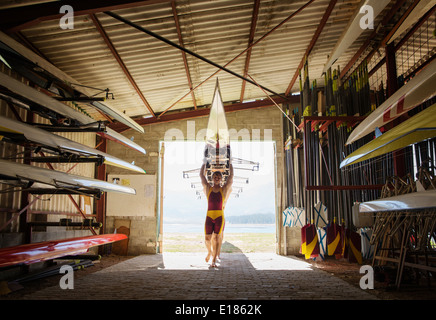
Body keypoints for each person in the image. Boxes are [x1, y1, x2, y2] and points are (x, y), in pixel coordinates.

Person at [200, 162, 233, 267]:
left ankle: (213, 261)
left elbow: (231, 178)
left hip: (219, 216)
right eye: (215, 176)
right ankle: (209, 252)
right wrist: (204, 163)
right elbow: (201, 176)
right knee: (207, 238)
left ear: (221, 179)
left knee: (217, 237)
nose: (217, 178)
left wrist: (230, 164)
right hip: (209, 216)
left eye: (219, 176)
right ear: (212, 178)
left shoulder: (223, 189)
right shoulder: (208, 188)